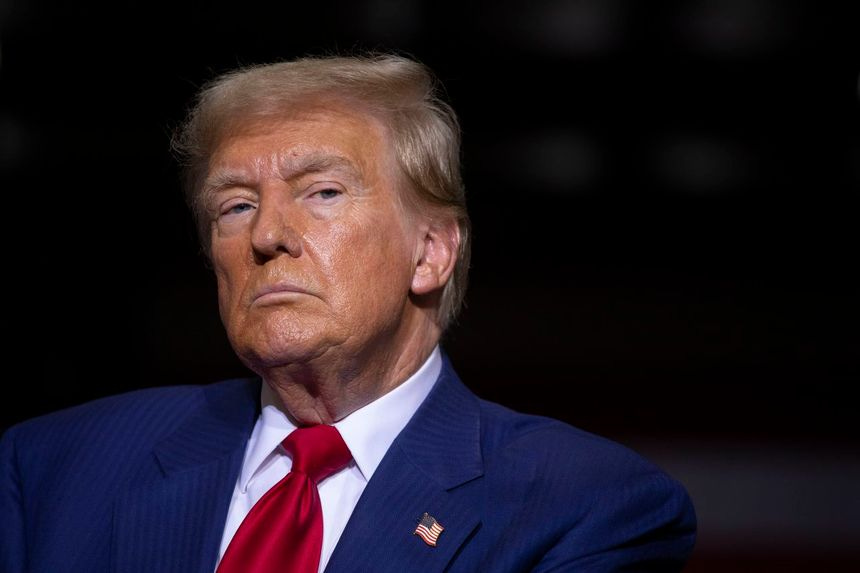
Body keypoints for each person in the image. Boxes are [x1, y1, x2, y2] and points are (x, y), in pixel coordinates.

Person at [0, 52, 696, 572]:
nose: (266, 234)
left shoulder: (583, 506)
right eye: (235, 205)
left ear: (430, 251)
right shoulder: (54, 467)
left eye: (323, 192)